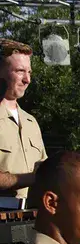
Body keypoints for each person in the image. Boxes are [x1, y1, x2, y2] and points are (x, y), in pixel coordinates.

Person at [0, 39, 46, 202]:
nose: (27, 80)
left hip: (32, 218)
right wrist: (32, 178)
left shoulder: (31, 122)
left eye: (29, 72)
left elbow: (44, 169)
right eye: (20, 71)